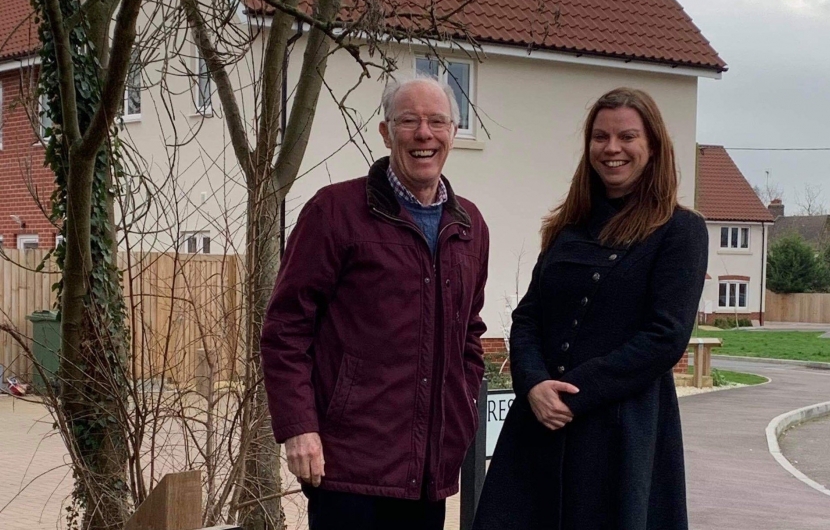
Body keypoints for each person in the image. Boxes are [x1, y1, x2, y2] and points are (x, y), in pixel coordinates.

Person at [260, 75, 489, 530]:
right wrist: (298, 427)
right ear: (386, 133)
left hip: (428, 473)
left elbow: (469, 335)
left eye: (437, 122)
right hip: (349, 469)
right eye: (409, 121)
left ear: (452, 134)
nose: (424, 134)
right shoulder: (335, 212)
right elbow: (286, 327)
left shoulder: (469, 226)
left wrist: (460, 416)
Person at [473, 87, 707, 530]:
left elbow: (665, 337)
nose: (612, 148)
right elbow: (528, 318)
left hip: (620, 434)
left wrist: (570, 392)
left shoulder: (680, 231)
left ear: (652, 146)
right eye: (600, 137)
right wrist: (535, 384)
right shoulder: (567, 227)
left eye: (627, 136)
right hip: (539, 426)